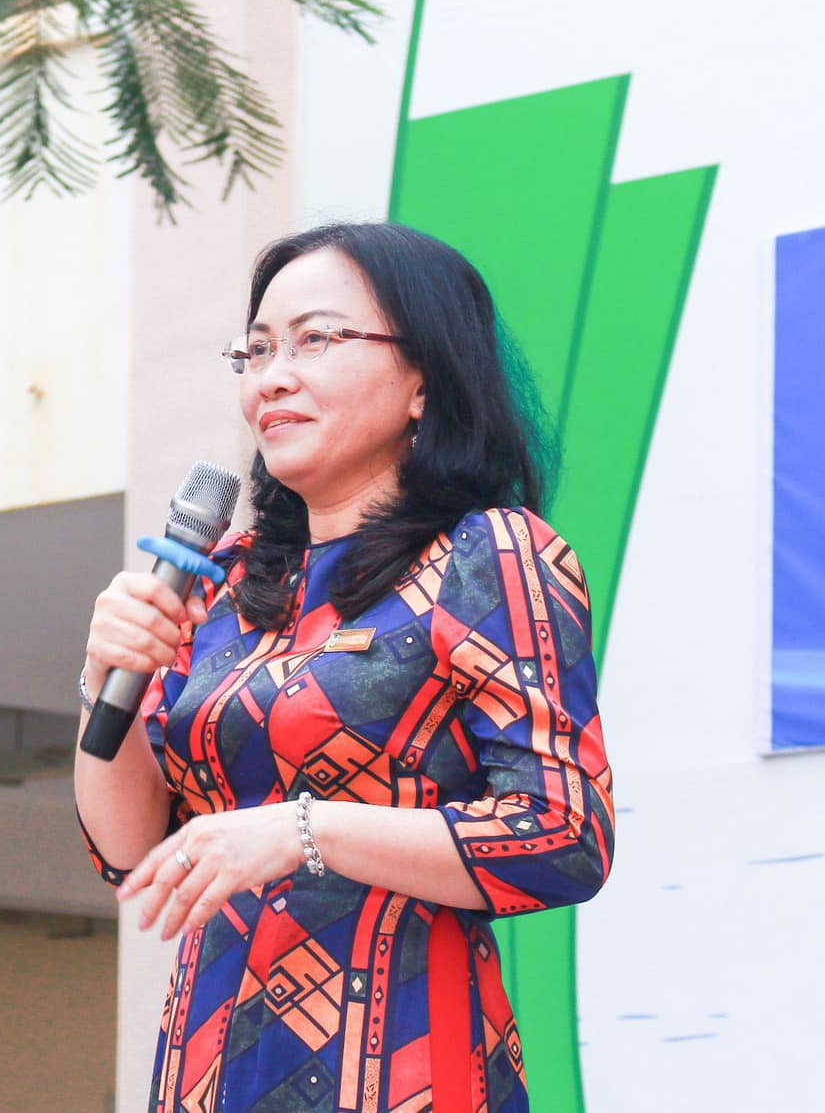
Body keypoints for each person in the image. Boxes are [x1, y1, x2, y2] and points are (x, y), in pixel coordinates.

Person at [73, 222, 615, 1112]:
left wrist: (302, 830)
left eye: (315, 340)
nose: (272, 377)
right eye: (256, 350)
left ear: (424, 379)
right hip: (212, 1066)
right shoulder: (226, 582)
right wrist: (107, 685)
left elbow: (563, 835)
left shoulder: (489, 553)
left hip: (404, 1063)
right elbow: (138, 854)